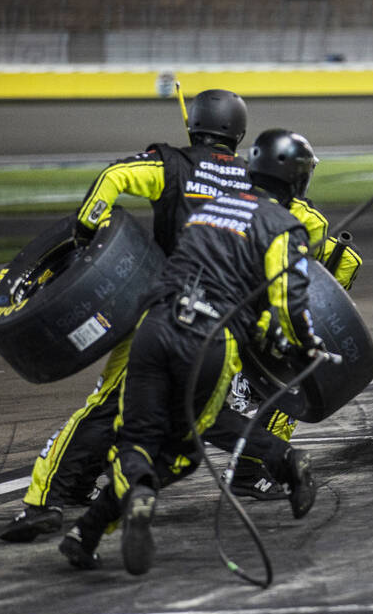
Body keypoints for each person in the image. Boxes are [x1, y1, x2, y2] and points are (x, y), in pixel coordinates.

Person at [0, 90, 360, 541]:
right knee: (215, 414)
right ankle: (267, 466)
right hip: (226, 328)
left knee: (117, 408)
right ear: (240, 133)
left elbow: (114, 176)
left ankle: (48, 500)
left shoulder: (173, 166)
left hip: (161, 310)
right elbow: (320, 245)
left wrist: (86, 234)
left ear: (196, 126)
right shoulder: (259, 190)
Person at [58, 129, 326, 574]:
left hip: (155, 325)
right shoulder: (285, 227)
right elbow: (287, 304)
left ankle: (89, 530)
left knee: (137, 439)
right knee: (183, 448)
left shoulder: (210, 210)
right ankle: (283, 461)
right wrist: (305, 344)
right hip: (210, 339)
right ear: (296, 180)